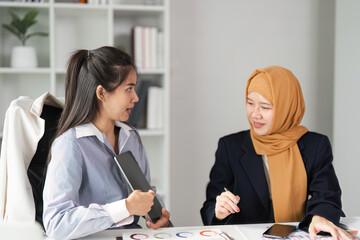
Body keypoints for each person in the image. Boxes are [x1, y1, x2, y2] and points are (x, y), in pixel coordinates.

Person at [200, 66, 354, 240]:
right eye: (250, 103)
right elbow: (209, 206)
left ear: (287, 108)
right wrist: (219, 211)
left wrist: (320, 217)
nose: (255, 114)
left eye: (265, 107)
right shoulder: (230, 146)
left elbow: (327, 196)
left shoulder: (315, 145)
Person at [42, 46, 171, 239]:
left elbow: (144, 192)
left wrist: (157, 214)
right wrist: (125, 207)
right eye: (129, 89)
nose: (136, 97)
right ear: (101, 93)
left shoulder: (131, 137)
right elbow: (56, 223)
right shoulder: (70, 145)